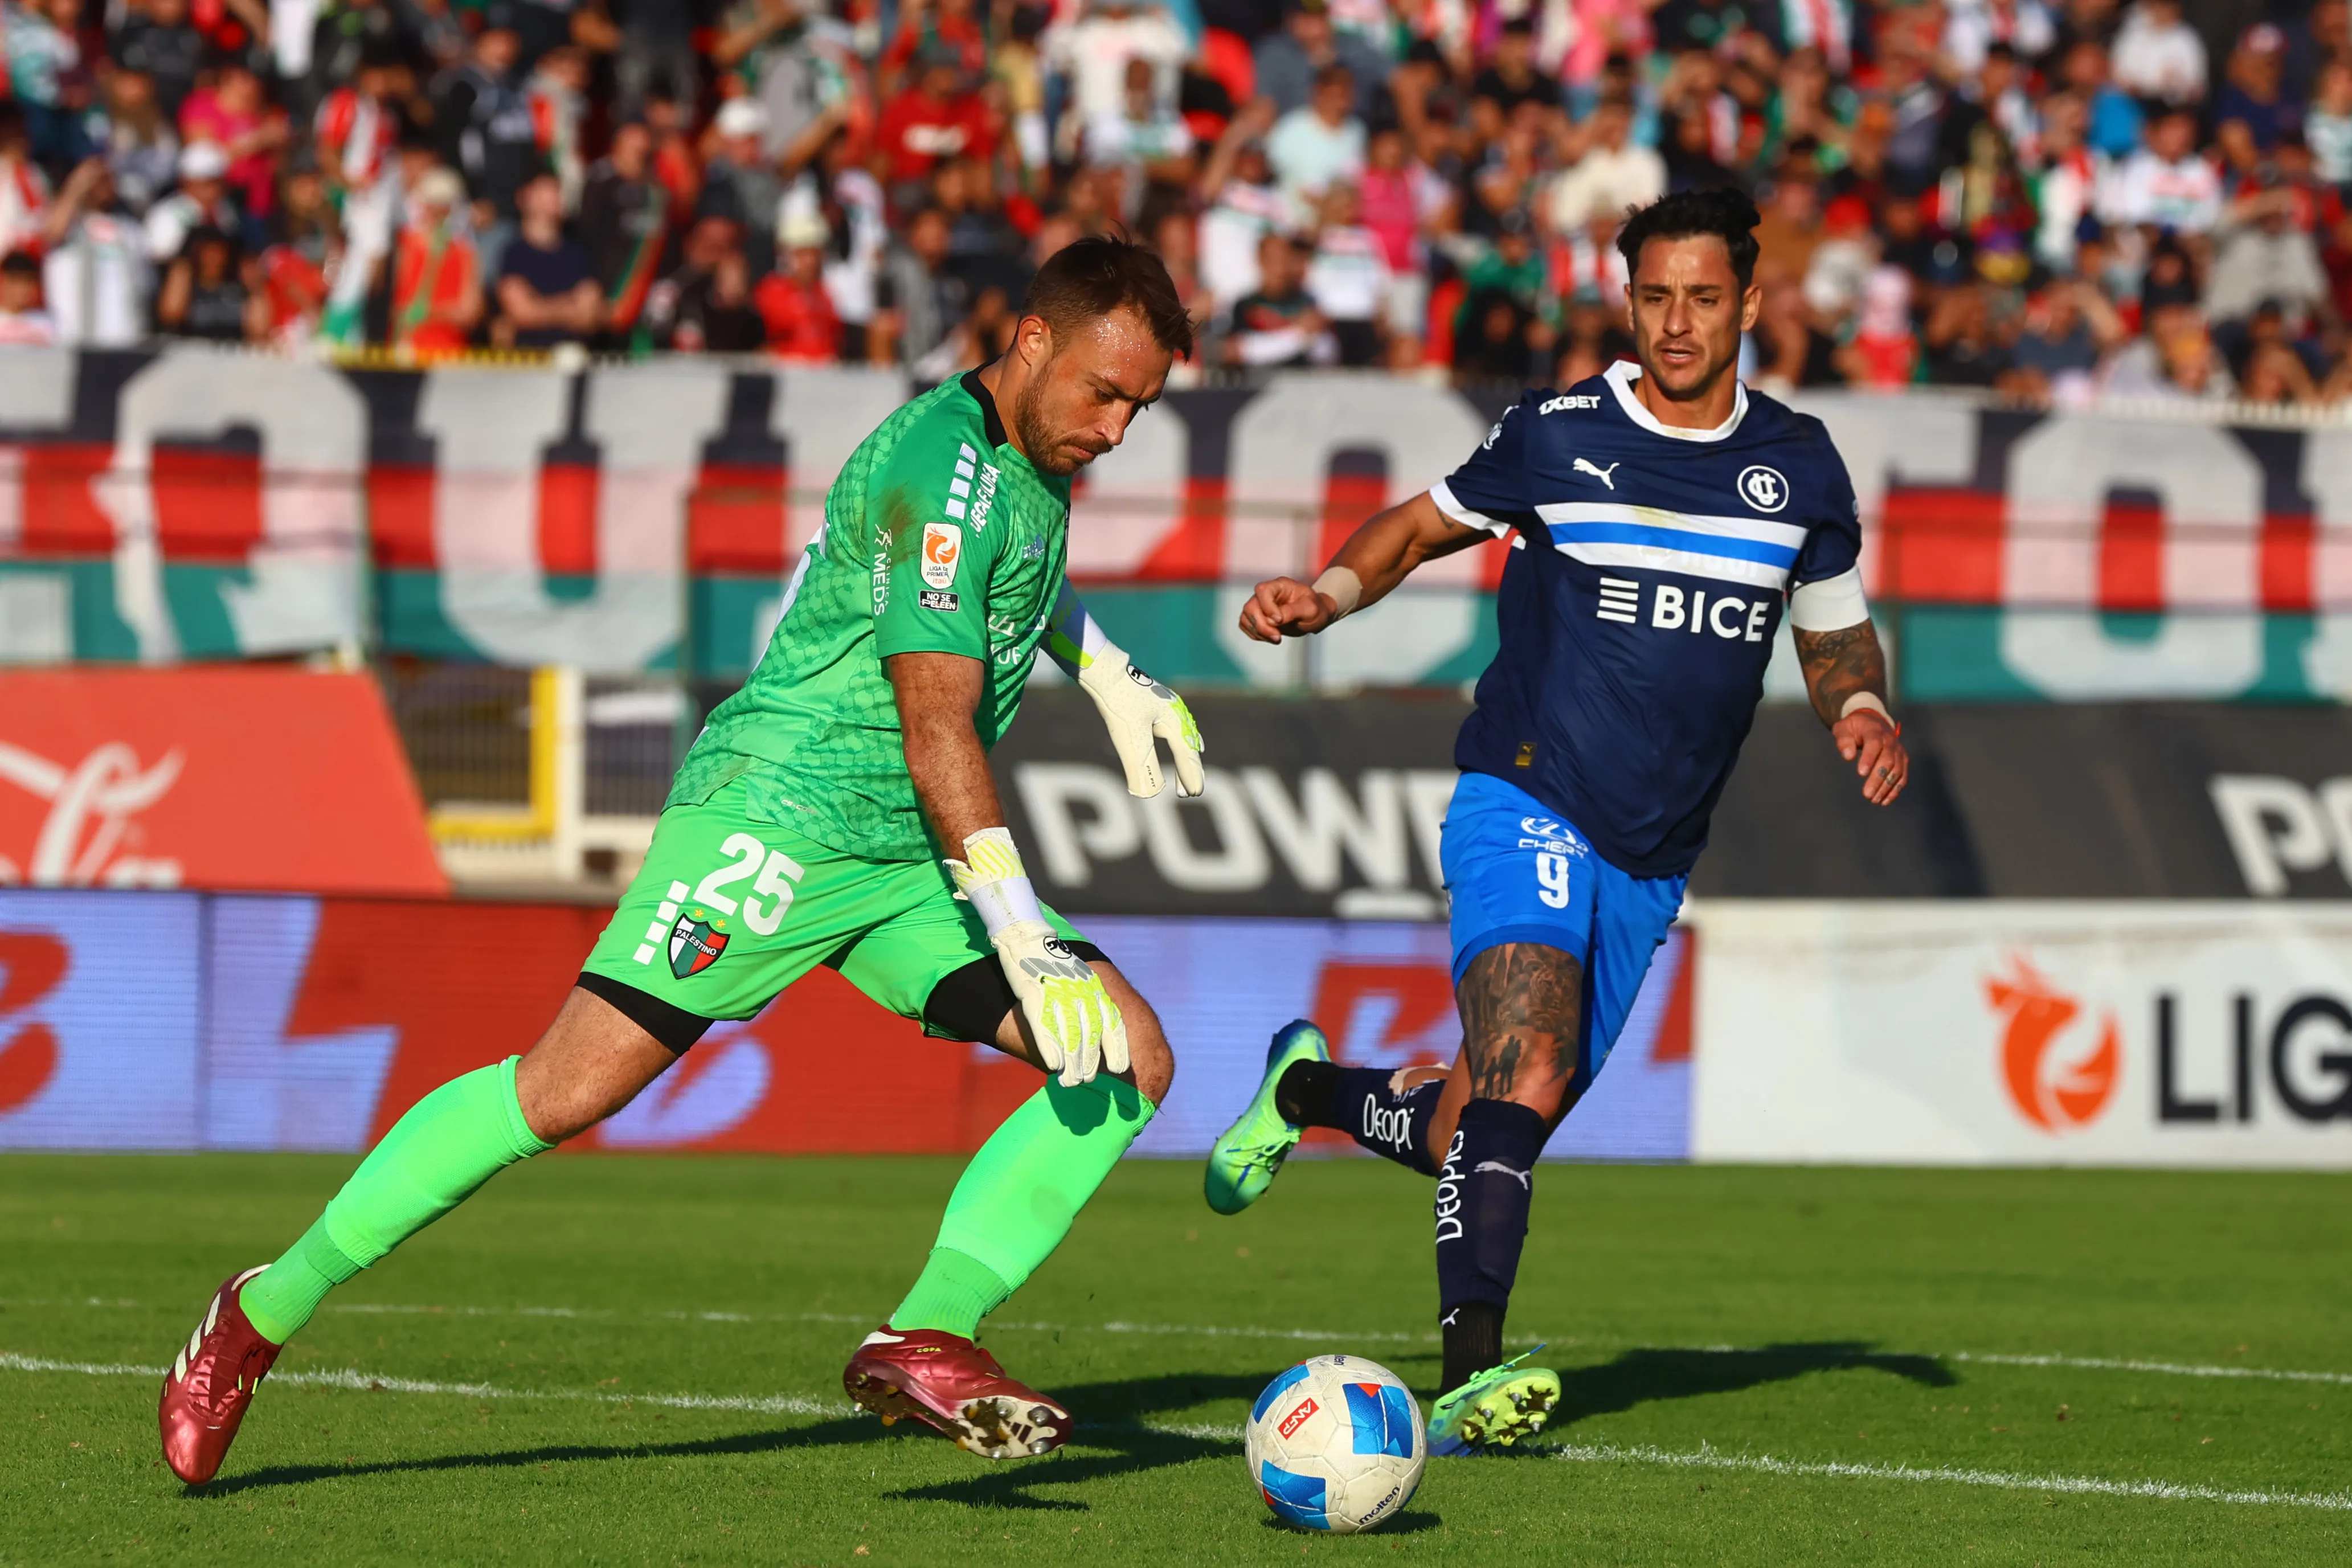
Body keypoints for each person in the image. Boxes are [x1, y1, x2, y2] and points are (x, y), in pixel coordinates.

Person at [158, 235, 1210, 1486]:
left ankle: (928, 1330)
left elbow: (1008, 578)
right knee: (562, 1091)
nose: (1119, 425)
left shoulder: (1024, 455)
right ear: (1033, 338)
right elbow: (937, 727)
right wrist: (1026, 931)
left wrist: (1100, 664)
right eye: (1106, 391)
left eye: (1140, 404)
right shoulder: (942, 469)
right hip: (776, 817)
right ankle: (256, 1313)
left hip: (901, 857)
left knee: (1122, 1051)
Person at [1206, 189, 1911, 1455]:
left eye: (1703, 297)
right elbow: (1422, 523)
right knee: (1524, 1069)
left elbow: (1833, 623)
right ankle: (1469, 1367)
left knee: (1482, 1121)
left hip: (1654, 850)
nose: (1677, 322)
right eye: (1653, 297)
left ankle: (1304, 1085)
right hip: (1524, 790)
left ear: (1750, 303)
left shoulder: (1799, 462)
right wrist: (1327, 589)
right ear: (1624, 297)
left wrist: (1857, 702)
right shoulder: (1558, 431)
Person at [493, 169, 601, 347]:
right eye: (545, 190)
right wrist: (569, 305)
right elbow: (522, 312)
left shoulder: (578, 253)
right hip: (529, 360)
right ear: (524, 198)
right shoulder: (513, 254)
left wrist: (540, 308)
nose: (553, 197)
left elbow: (589, 315)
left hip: (572, 355)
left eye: (556, 190)